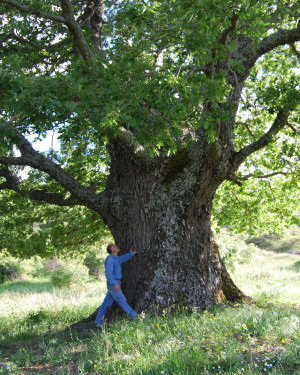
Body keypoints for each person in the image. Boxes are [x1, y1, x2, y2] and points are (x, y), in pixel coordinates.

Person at [95, 243, 138, 327]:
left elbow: (124, 258)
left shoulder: (117, 258)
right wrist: (114, 283)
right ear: (111, 249)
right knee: (121, 300)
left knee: (106, 303)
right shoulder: (110, 259)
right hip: (113, 283)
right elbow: (108, 274)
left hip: (116, 283)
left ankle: (98, 322)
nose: (117, 246)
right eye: (114, 246)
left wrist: (132, 253)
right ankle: (135, 317)